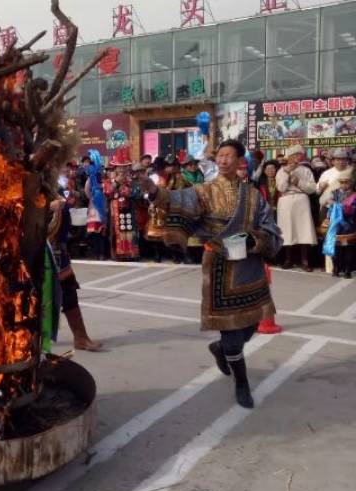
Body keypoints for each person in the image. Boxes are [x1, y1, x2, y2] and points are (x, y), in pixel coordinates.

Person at [139, 139, 282, 408]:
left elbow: (270, 227)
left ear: (241, 161)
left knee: (250, 326)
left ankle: (221, 350)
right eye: (220, 155)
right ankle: (242, 382)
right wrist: (154, 192)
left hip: (249, 266)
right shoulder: (204, 191)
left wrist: (255, 240)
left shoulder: (252, 195)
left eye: (230, 155)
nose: (224, 159)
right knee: (232, 340)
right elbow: (176, 199)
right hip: (219, 266)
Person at [48, 191, 103, 351]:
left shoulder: (51, 187)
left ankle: (80, 337)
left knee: (69, 291)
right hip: (39, 254)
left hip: (58, 253)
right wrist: (48, 208)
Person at [276, 145, 317, 271]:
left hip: (301, 199)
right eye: (295, 154)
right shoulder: (281, 170)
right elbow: (281, 188)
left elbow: (312, 188)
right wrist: (288, 176)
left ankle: (305, 261)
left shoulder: (306, 170)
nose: (298, 157)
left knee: (304, 229)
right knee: (287, 230)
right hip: (286, 200)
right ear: (290, 156)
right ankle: (288, 260)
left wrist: (298, 182)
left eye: (300, 155)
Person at [103, 147, 139, 261]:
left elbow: (136, 193)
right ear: (116, 168)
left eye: (124, 167)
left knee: (130, 229)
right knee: (115, 231)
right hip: (115, 208)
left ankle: (131, 253)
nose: (122, 169)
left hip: (128, 206)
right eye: (119, 167)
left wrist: (127, 190)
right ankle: (117, 254)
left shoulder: (131, 180)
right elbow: (107, 191)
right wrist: (117, 182)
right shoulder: (109, 181)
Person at [325, 172, 356, 278]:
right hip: (336, 226)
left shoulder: (354, 195)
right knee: (336, 248)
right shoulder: (334, 193)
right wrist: (328, 216)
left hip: (349, 224)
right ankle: (336, 268)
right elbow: (329, 207)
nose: (344, 185)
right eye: (342, 182)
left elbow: (354, 210)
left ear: (351, 183)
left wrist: (344, 208)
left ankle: (347, 270)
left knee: (348, 248)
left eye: (347, 182)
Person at [84, 151, 108, 260]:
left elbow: (87, 190)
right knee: (98, 231)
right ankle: (100, 253)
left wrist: (92, 197)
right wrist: (93, 198)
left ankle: (100, 253)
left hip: (99, 205)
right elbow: (86, 190)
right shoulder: (98, 179)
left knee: (99, 231)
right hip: (97, 206)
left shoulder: (102, 179)